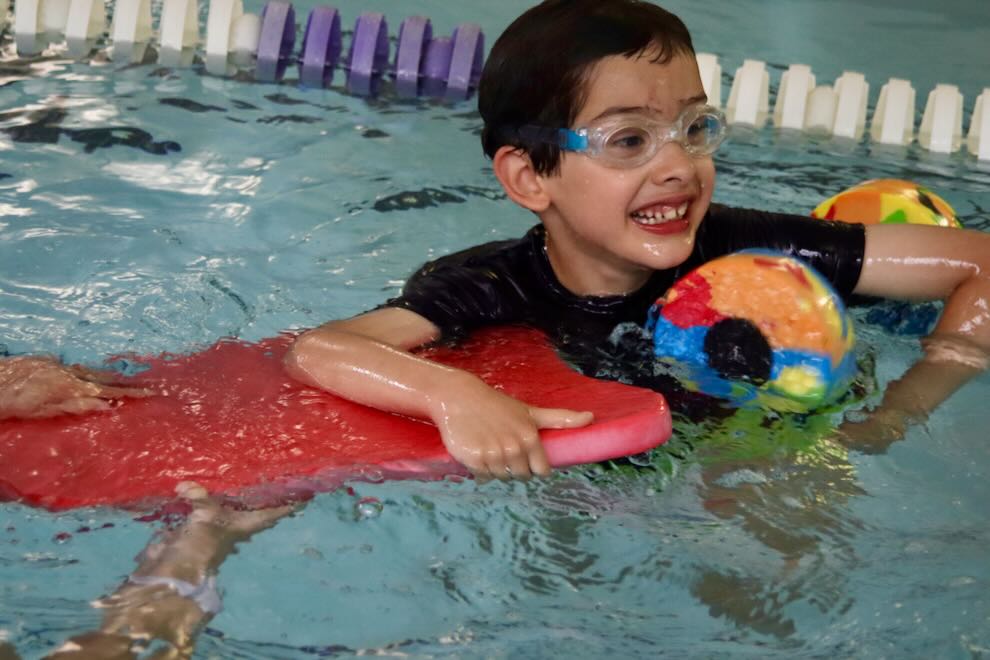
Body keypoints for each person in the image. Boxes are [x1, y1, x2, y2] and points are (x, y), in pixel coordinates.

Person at [282, 0, 990, 481]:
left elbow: (982, 267)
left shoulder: (751, 248)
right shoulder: (498, 285)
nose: (678, 166)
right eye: (629, 140)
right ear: (530, 179)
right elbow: (321, 350)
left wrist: (895, 417)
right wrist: (450, 393)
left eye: (694, 128)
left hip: (740, 460)